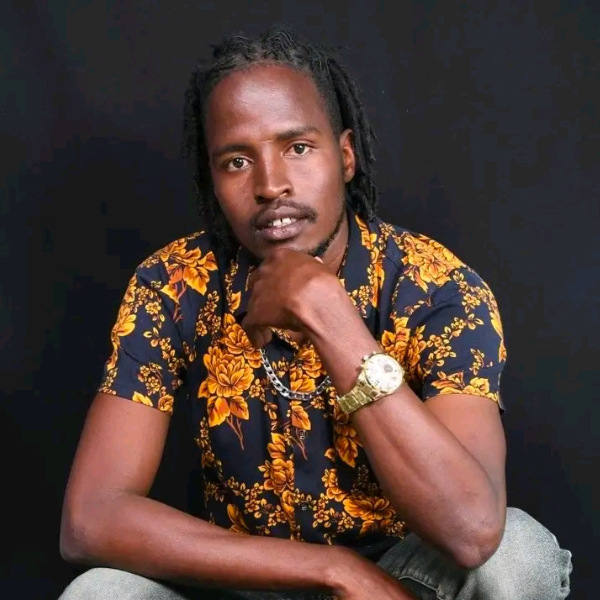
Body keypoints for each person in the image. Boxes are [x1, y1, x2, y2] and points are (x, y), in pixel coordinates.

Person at [57, 25, 572, 600]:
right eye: (236, 161)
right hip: (244, 581)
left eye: (297, 148)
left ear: (346, 156)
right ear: (212, 179)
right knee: (101, 591)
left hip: (403, 585)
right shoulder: (175, 283)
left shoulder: (438, 289)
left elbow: (471, 529)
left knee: (517, 552)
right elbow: (90, 517)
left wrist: (330, 316)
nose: (271, 185)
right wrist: (334, 569)